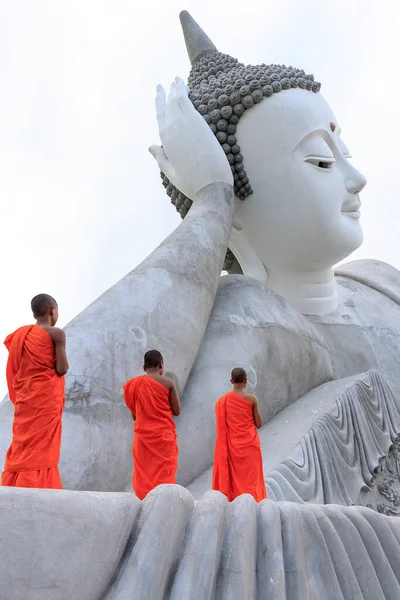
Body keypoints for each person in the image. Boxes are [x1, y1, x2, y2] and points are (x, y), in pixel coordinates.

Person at [1, 294, 68, 489]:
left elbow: (18, 368)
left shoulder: (21, 335)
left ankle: (15, 484)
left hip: (25, 399)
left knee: (23, 444)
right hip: (46, 398)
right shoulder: (56, 334)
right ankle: (40, 486)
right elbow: (62, 369)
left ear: (34, 313)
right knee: (42, 446)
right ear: (52, 310)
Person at [123, 349, 181, 500]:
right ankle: (164, 505)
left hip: (143, 439)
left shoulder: (134, 384)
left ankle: (145, 503)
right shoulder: (168, 383)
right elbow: (177, 410)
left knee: (144, 473)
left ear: (144, 367)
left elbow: (135, 415)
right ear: (161, 365)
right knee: (164, 475)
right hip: (163, 437)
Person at [212, 367, 267, 502]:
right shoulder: (252, 400)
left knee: (234, 481)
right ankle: (253, 506)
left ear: (231, 381)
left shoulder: (222, 402)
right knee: (251, 481)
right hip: (250, 447)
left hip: (232, 448)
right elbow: (259, 424)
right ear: (246, 381)